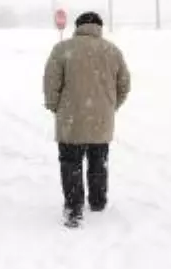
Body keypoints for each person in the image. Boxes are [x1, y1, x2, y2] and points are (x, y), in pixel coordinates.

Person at [42, 11, 131, 227]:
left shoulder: (63, 49)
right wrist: (110, 107)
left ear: (78, 26)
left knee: (71, 163)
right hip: (101, 120)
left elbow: (50, 84)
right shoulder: (112, 51)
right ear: (99, 27)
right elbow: (124, 85)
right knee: (98, 163)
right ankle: (98, 201)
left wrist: (57, 108)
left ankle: (74, 208)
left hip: (71, 118)